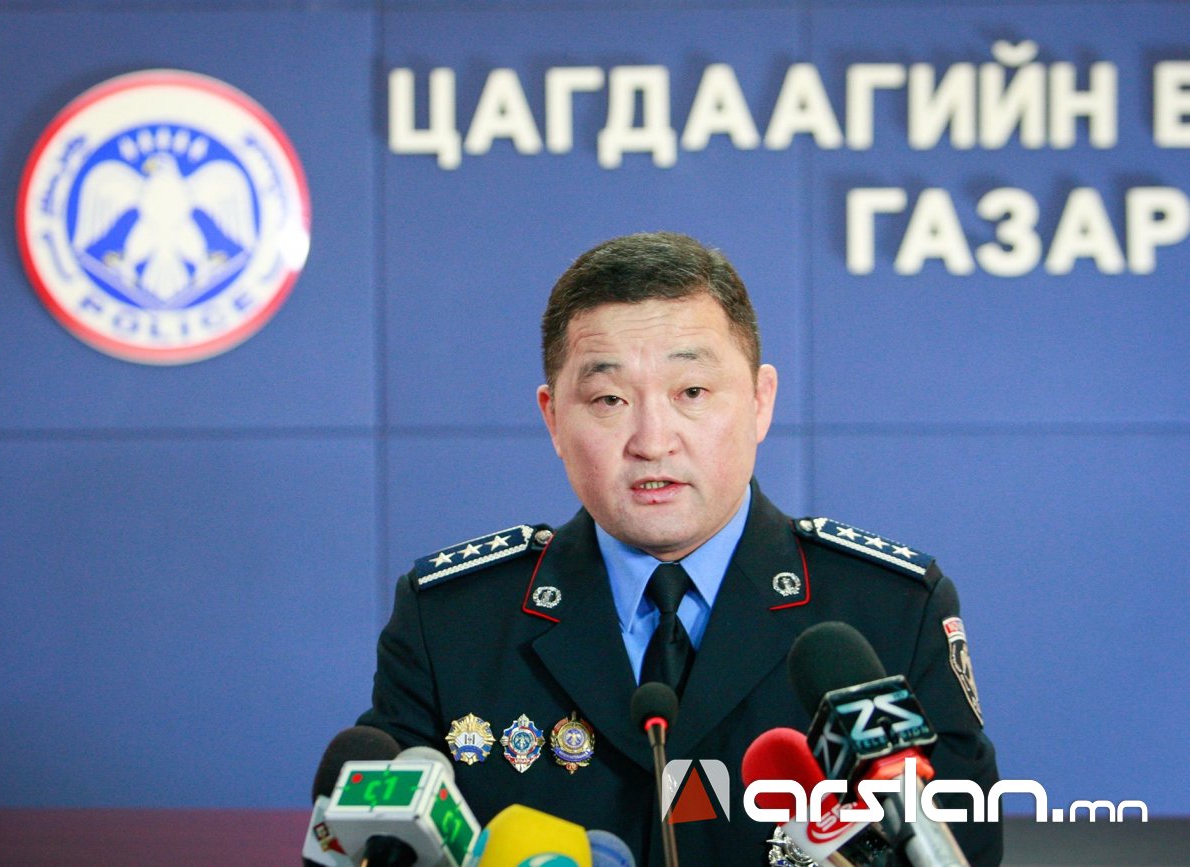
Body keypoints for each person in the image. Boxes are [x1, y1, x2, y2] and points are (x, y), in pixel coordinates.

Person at [357, 232, 1001, 866]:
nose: (652, 440)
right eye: (609, 399)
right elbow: (376, 844)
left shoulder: (889, 612)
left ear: (760, 402)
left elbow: (965, 849)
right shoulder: (451, 622)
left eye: (691, 393)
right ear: (553, 419)